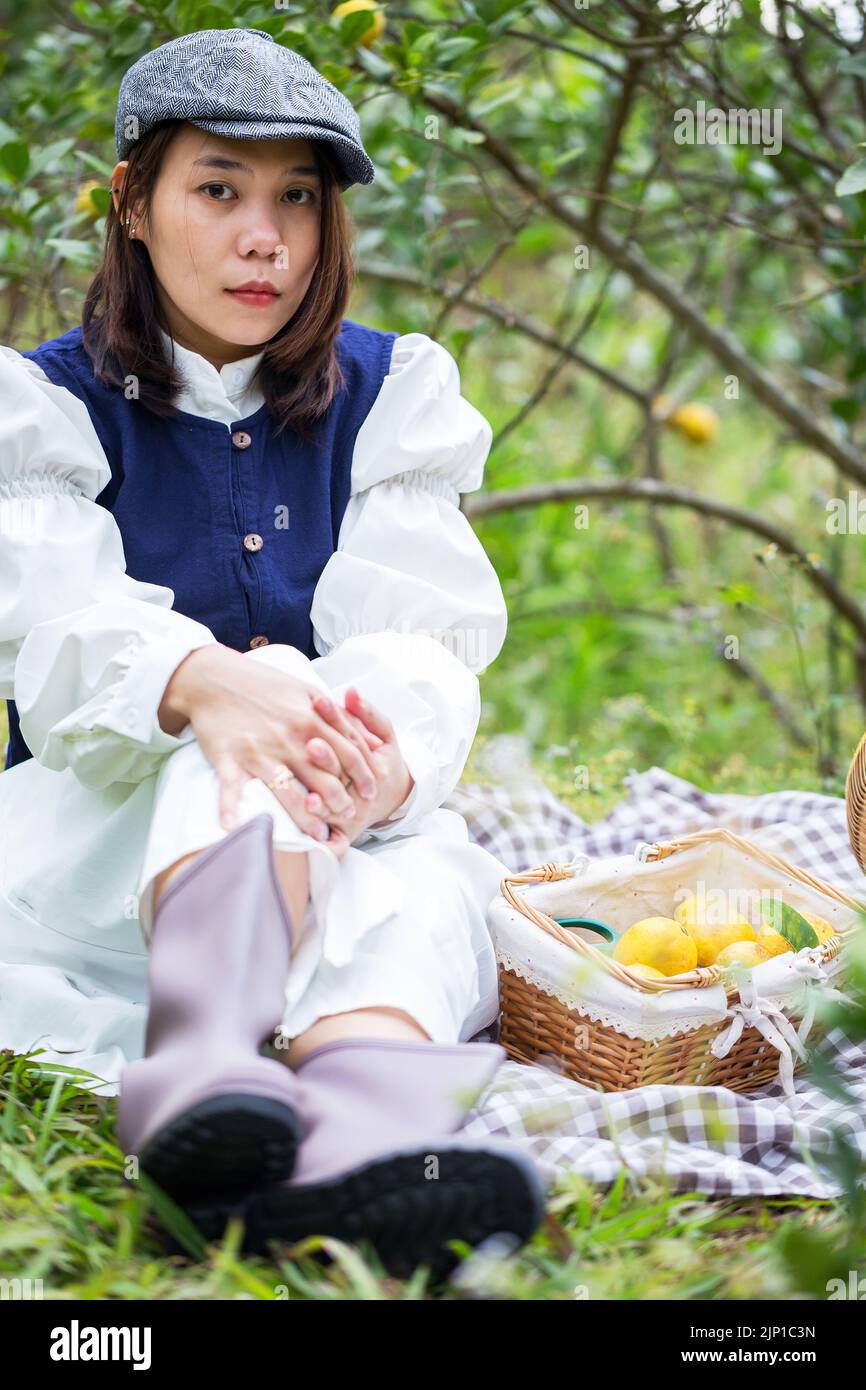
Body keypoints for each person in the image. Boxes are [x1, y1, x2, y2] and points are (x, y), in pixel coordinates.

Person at [0, 28, 544, 1279]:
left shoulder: (388, 392)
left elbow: (421, 636)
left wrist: (380, 767)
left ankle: (334, 1166)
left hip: (335, 848)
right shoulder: (46, 408)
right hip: (102, 860)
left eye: (297, 197)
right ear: (133, 203)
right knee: (256, 712)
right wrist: (209, 683)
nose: (268, 238)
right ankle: (208, 1070)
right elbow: (51, 633)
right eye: (220, 189)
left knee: (432, 878)